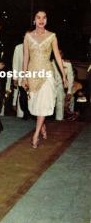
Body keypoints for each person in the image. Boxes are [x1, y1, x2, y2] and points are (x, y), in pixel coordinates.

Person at [22, 10, 67, 148]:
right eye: (38, 17)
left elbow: (58, 57)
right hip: (33, 73)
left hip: (47, 73)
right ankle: (42, 125)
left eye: (44, 17)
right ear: (34, 20)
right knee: (35, 105)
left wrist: (64, 75)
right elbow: (25, 58)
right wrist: (24, 76)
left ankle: (35, 136)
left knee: (44, 103)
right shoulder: (28, 36)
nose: (41, 20)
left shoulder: (52, 36)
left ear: (46, 20)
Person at [52, 50, 74, 120]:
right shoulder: (50, 63)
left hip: (61, 88)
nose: (58, 55)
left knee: (60, 104)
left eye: (60, 53)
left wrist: (69, 91)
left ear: (62, 55)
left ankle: (59, 121)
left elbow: (70, 78)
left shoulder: (67, 64)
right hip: (51, 87)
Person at [12, 42, 29, 119]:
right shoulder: (18, 47)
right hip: (21, 77)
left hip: (33, 77)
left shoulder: (35, 45)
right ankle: (24, 112)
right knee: (22, 97)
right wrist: (15, 78)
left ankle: (30, 114)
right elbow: (15, 63)